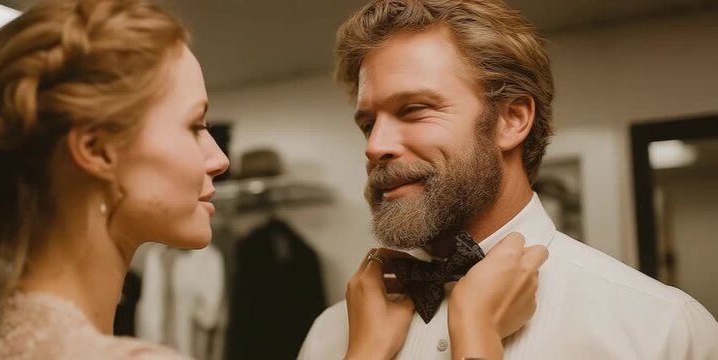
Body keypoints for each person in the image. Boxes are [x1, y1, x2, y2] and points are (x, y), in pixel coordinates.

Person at [0, 0, 546, 358]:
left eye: (413, 109)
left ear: (513, 118)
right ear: (95, 151)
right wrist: (476, 340)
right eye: (195, 125)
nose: (220, 158)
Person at [298, 0, 718, 359]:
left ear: (512, 119)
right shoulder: (329, 337)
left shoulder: (661, 330)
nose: (374, 147)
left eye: (414, 110)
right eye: (368, 124)